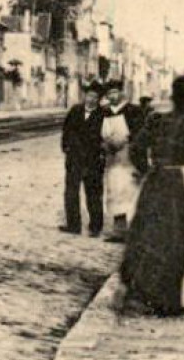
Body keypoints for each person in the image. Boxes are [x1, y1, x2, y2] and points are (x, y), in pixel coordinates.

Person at [121, 74, 184, 316]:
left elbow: (135, 149)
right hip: (182, 186)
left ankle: (145, 294)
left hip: (155, 182)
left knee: (150, 237)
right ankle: (181, 298)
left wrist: (146, 172)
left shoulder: (156, 121)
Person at [59, 80, 107, 236]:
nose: (91, 99)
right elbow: (66, 130)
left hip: (93, 160)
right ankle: (73, 225)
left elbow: (106, 135)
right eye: (89, 95)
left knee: (93, 193)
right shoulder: (75, 110)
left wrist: (101, 153)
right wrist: (66, 147)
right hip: (74, 159)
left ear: (99, 99)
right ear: (85, 96)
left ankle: (95, 227)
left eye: (95, 97)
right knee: (71, 192)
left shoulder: (103, 114)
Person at [99, 82, 140, 242]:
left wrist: (128, 141)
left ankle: (135, 229)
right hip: (112, 156)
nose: (112, 96)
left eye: (115, 92)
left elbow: (140, 133)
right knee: (114, 190)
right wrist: (104, 144)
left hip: (129, 155)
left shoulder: (134, 111)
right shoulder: (104, 112)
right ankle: (119, 229)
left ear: (121, 93)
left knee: (130, 190)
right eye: (109, 94)